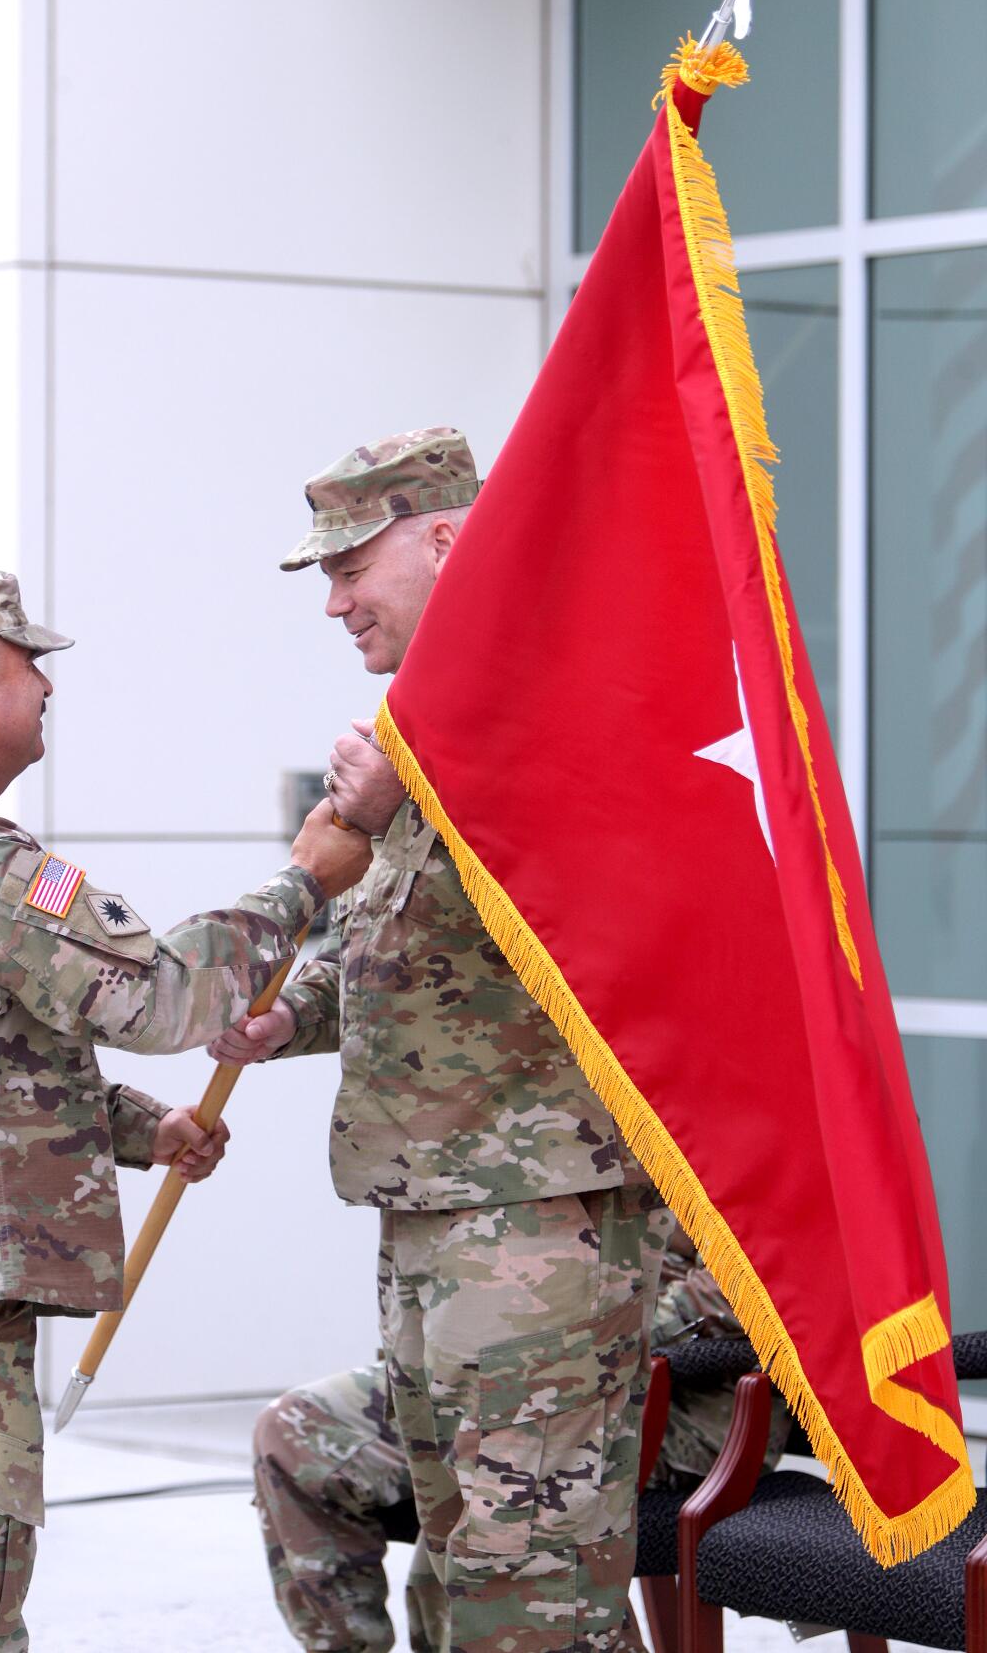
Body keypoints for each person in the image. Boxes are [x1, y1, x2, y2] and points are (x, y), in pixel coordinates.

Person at [0, 569, 371, 1653]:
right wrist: (304, 881)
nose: (49, 683)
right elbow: (160, 997)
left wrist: (140, 1130)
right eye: (29, 663)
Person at [211, 431, 672, 1653]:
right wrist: (286, 1017)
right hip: (438, 1215)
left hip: (541, 1219)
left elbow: (589, 910)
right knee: (463, 1580)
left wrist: (401, 806)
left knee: (530, 1598)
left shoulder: (558, 694)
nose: (334, 599)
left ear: (448, 540)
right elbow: (404, 946)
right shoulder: (423, 723)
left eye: (352, 565)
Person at [252, 1230, 792, 1652]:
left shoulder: (746, 1113)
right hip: (509, 1369)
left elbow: (746, 1280)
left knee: (484, 1470)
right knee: (297, 1429)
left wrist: (551, 1349)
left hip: (673, 1404)